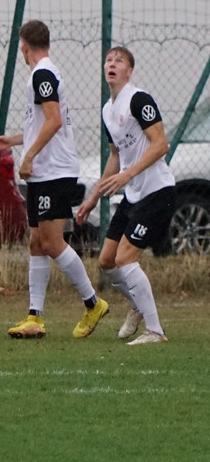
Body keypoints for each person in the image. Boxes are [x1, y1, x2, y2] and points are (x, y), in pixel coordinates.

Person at [0, 19, 108, 338]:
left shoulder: (42, 74)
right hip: (45, 172)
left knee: (52, 242)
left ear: (24, 47)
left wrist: (28, 156)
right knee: (37, 241)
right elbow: (45, 123)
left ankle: (93, 303)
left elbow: (54, 121)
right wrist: (14, 140)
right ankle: (35, 317)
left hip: (53, 171)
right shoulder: (44, 74)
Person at [75, 46, 174, 345]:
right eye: (109, 60)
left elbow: (161, 144)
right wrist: (93, 197)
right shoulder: (107, 110)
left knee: (126, 258)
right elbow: (116, 156)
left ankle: (155, 331)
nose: (112, 63)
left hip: (157, 191)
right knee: (107, 261)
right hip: (133, 195)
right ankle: (138, 305)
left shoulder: (138, 99)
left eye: (119, 61)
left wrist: (128, 175)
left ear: (129, 71)